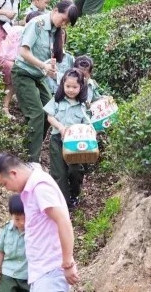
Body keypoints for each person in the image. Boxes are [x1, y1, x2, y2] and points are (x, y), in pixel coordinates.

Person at [0, 154, 80, 291]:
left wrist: (68, 263)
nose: (6, 189)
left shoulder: (40, 187)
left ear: (13, 173)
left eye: (4, 184)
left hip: (51, 270)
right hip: (41, 272)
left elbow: (63, 220)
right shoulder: (31, 189)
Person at [11, 0, 79, 163]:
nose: (64, 24)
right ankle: (31, 160)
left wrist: (50, 66)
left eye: (67, 23)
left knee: (51, 112)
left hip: (39, 76)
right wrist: (43, 66)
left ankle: (28, 149)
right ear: (55, 10)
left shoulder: (56, 30)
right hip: (24, 73)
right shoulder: (37, 24)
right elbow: (24, 51)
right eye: (63, 19)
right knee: (36, 114)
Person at [43, 68, 91, 208]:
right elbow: (50, 117)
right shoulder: (57, 100)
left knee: (74, 171)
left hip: (75, 144)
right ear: (62, 85)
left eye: (75, 87)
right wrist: (61, 127)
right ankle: (63, 202)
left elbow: (87, 123)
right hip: (57, 140)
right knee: (59, 173)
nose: (71, 90)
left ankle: (74, 194)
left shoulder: (82, 105)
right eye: (68, 86)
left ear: (81, 87)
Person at [0, 10, 47, 118]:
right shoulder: (28, 33)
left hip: (3, 58)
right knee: (14, 82)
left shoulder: (17, 28)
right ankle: (5, 107)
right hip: (11, 62)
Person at [0, 194, 29, 292]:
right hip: (8, 275)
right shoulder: (6, 230)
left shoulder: (35, 232)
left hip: (28, 276)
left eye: (25, 218)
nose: (22, 223)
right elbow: (0, 251)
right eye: (17, 219)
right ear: (11, 215)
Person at [46, 29, 75, 94]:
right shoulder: (44, 55)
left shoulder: (69, 58)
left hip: (63, 95)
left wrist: (56, 76)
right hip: (45, 94)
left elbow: (74, 78)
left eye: (62, 33)